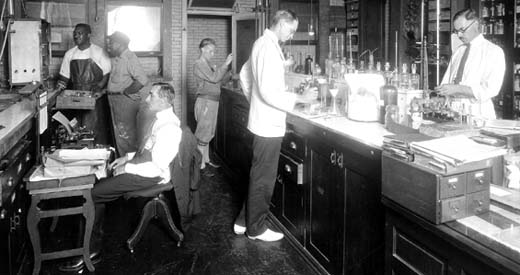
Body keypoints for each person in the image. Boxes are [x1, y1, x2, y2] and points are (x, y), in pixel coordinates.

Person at [59, 83, 182, 272]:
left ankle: (86, 252)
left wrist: (127, 168)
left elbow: (156, 166)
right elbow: (147, 151)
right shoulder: (161, 120)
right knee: (96, 189)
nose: (147, 99)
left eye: (151, 95)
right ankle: (92, 248)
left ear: (164, 100)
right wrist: (127, 157)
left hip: (151, 176)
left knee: (90, 195)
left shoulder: (170, 128)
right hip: (143, 169)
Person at [234, 10, 317, 242]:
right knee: (264, 178)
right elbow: (270, 92)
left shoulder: (262, 44)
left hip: (261, 121)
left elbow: (243, 75)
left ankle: (243, 221)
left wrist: (255, 103)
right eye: (291, 30)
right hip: (267, 125)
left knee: (257, 174)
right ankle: (256, 229)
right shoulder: (269, 48)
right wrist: (301, 99)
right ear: (281, 24)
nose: (291, 36)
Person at [435, 8, 505, 120]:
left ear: (476, 24)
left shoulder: (493, 51)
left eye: (462, 30)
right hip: (453, 113)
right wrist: (439, 95)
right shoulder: (459, 51)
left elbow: (491, 89)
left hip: (478, 115)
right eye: (456, 31)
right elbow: (447, 83)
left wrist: (458, 89)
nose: (459, 35)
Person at [56, 23, 112, 144]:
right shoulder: (69, 54)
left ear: (88, 35)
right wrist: (59, 90)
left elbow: (107, 74)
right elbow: (64, 77)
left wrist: (99, 88)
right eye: (75, 33)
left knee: (96, 128)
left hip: (95, 96)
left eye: (80, 33)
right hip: (76, 96)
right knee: (77, 129)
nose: (76, 36)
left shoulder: (99, 52)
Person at [106, 31, 150, 157]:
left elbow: (142, 79)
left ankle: (128, 167)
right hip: (116, 101)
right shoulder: (118, 58)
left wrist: (127, 91)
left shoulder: (129, 58)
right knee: (120, 135)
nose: (109, 47)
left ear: (119, 44)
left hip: (124, 102)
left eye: (111, 44)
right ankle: (123, 164)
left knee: (125, 135)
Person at [193, 38, 233, 174]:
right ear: (202, 49)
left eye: (214, 51)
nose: (212, 54)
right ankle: (199, 166)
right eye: (210, 51)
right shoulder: (199, 64)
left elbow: (217, 82)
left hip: (212, 102)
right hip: (206, 102)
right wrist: (226, 64)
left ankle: (206, 160)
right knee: (203, 133)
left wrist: (229, 75)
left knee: (208, 133)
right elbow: (214, 78)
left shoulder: (209, 65)